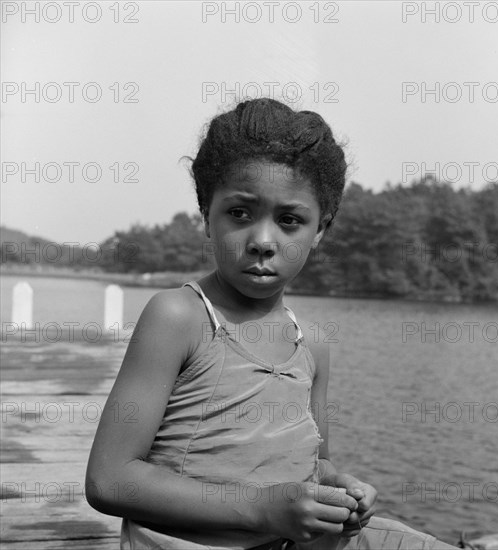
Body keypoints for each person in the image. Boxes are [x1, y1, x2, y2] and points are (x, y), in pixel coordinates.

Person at [86, 98, 457, 549]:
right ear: (206, 215)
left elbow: (312, 464)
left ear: (320, 229)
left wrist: (340, 488)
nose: (263, 241)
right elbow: (109, 480)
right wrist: (261, 509)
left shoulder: (312, 343)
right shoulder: (179, 317)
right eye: (240, 213)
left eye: (289, 221)